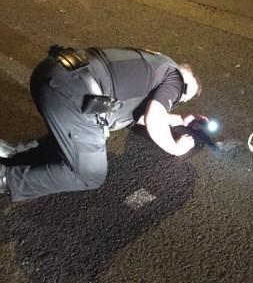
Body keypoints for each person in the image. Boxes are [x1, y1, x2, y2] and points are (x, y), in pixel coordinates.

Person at [0, 45, 205, 202]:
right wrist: (177, 148)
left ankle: (11, 154)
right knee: (89, 174)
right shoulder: (177, 81)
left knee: (73, 142)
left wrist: (179, 120)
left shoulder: (158, 62)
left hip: (53, 71)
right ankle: (5, 179)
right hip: (74, 93)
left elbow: (142, 114)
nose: (177, 101)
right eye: (182, 99)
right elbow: (153, 119)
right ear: (185, 83)